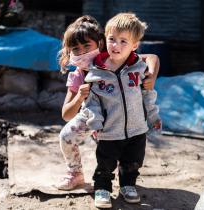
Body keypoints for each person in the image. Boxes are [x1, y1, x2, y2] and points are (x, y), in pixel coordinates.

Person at [57, 15, 161, 192]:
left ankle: (125, 181)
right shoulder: (77, 76)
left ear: (100, 43)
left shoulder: (116, 58)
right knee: (66, 137)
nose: (82, 52)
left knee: (120, 149)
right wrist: (79, 98)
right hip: (91, 115)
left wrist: (151, 75)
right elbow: (66, 114)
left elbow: (152, 57)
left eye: (87, 46)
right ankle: (75, 173)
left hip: (118, 115)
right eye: (76, 49)